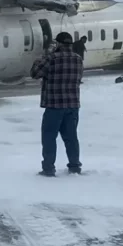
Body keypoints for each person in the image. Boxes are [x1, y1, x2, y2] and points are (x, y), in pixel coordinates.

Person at [30, 32, 84, 177]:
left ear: (59, 44)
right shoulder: (78, 59)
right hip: (73, 104)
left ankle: (48, 168)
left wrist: (40, 59)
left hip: (54, 105)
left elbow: (35, 73)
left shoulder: (51, 58)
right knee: (71, 138)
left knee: (49, 137)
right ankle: (74, 166)